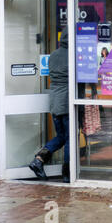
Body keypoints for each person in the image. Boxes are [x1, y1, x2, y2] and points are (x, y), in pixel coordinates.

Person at [29, 27, 70, 183]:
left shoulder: (53, 55)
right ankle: (67, 172)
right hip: (67, 103)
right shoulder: (72, 55)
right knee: (70, 138)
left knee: (61, 136)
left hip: (54, 102)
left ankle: (38, 160)